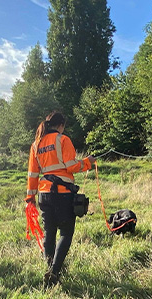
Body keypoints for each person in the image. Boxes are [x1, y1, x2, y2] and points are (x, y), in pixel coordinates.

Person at [25, 111, 95, 287]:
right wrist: (88, 162)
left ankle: (49, 268)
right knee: (65, 232)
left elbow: (32, 174)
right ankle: (55, 271)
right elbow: (71, 166)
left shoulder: (36, 144)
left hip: (44, 194)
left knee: (49, 233)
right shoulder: (63, 140)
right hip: (63, 193)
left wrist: (30, 198)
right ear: (61, 125)